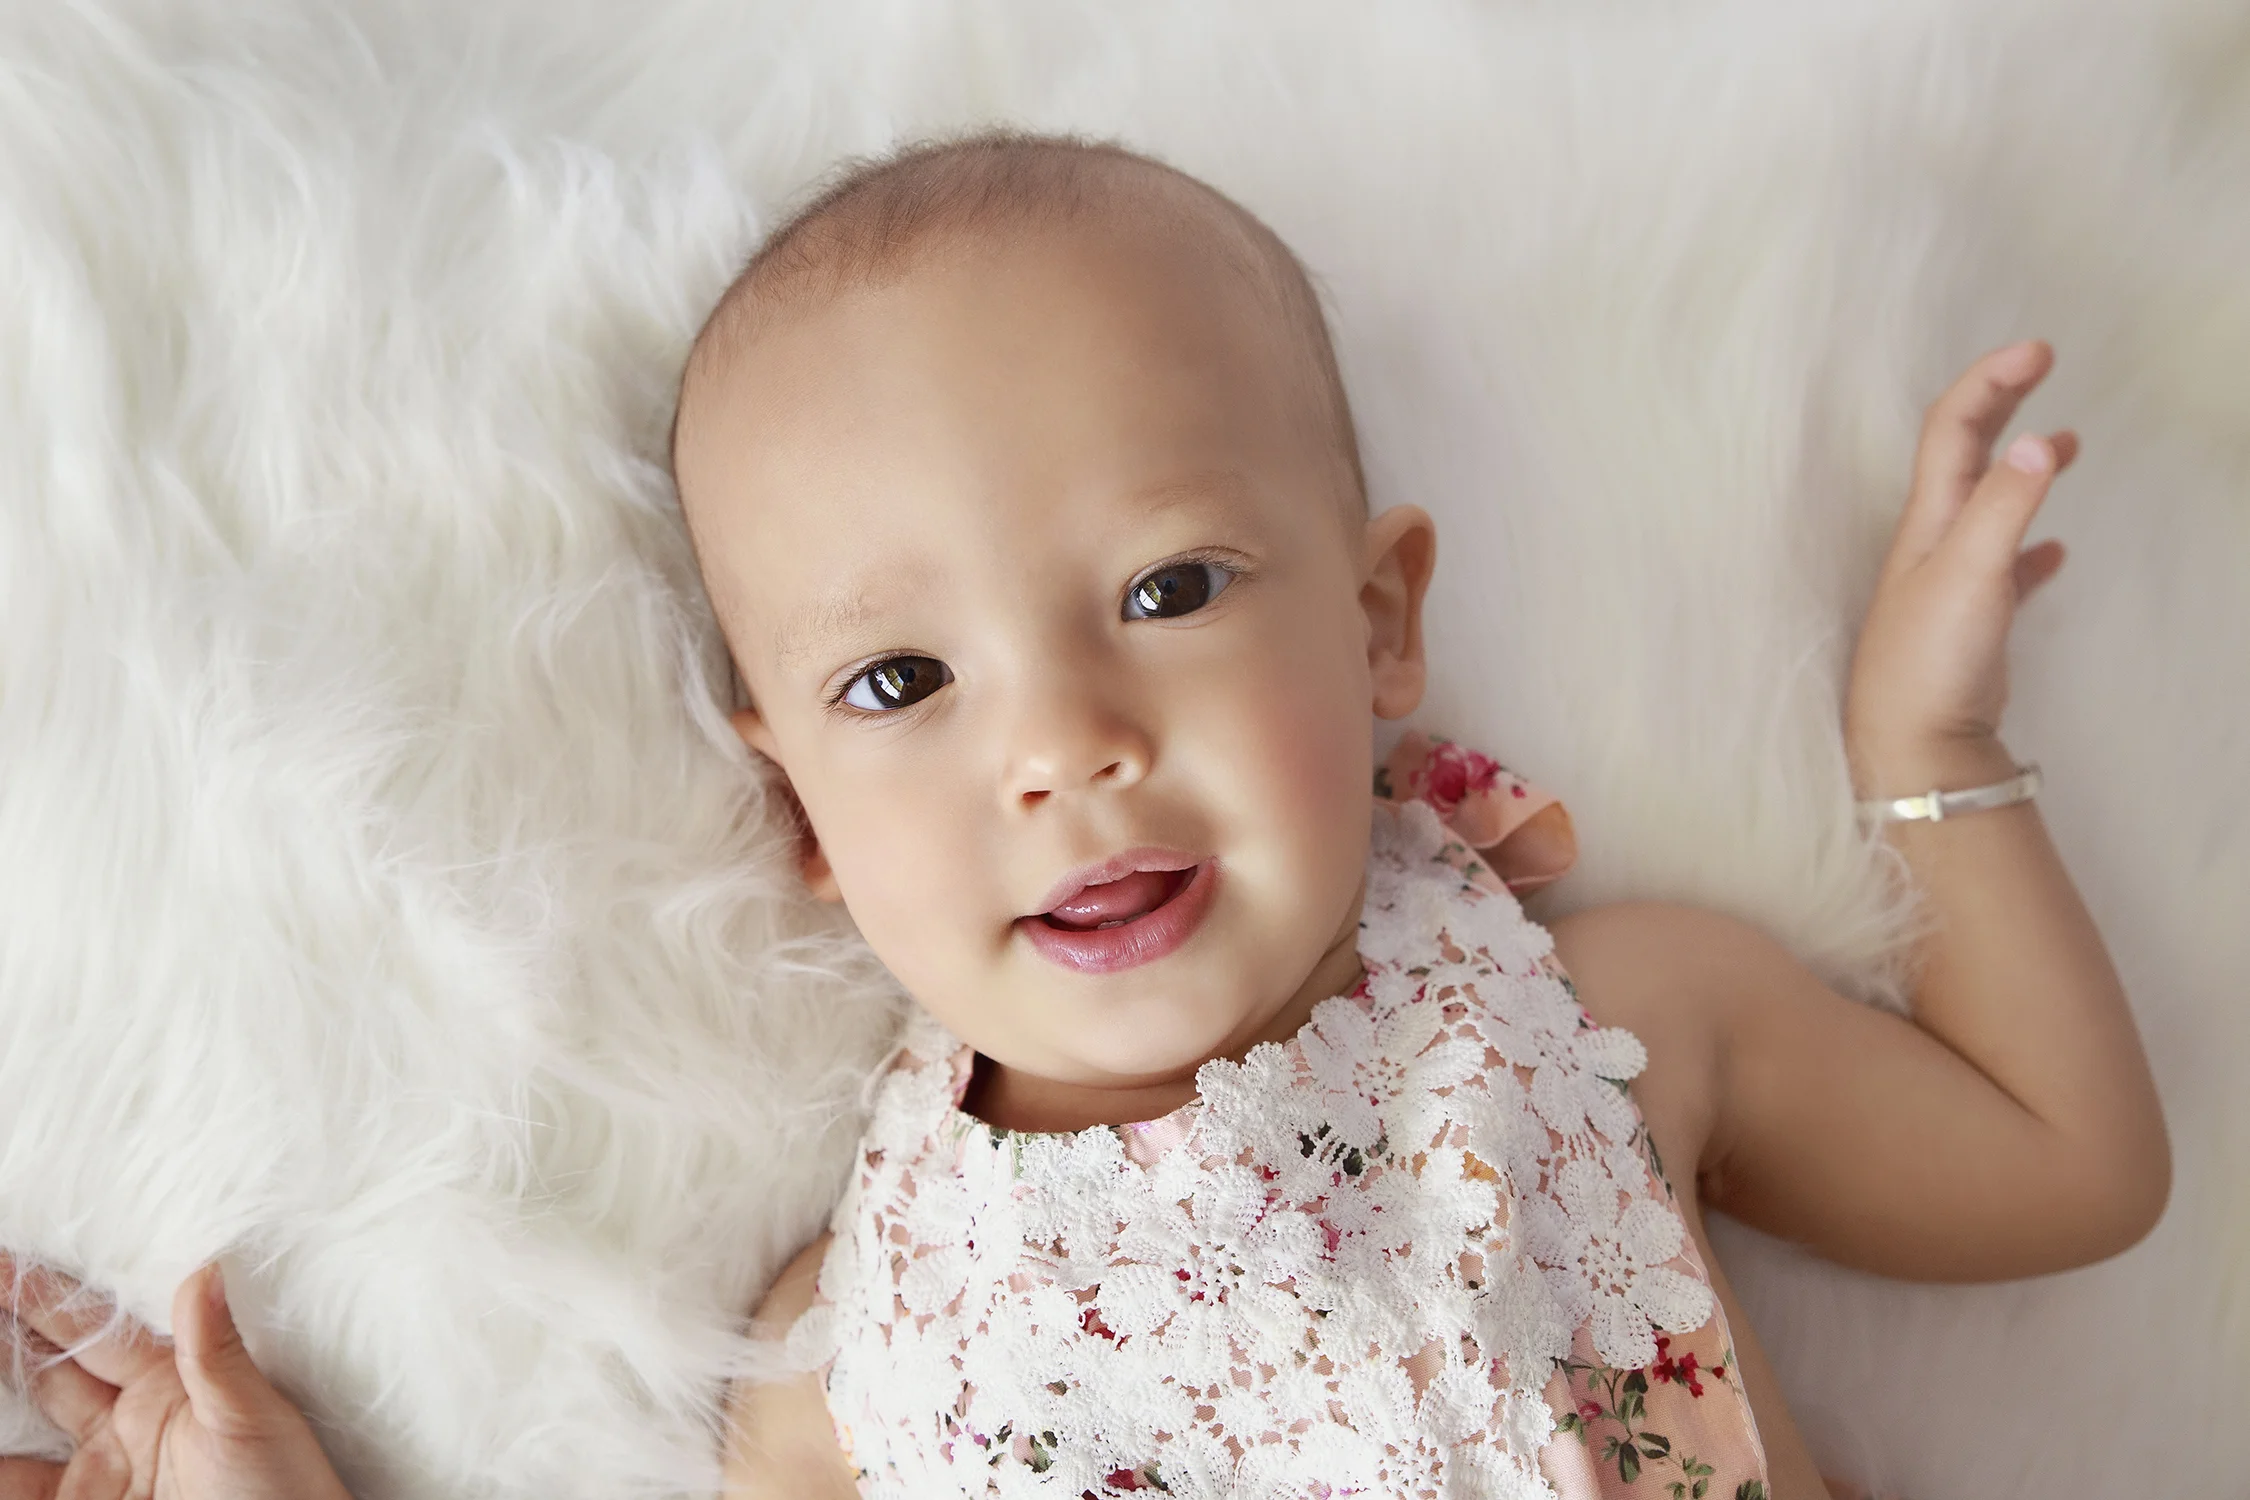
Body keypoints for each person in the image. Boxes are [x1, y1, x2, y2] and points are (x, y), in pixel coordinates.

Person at [0, 130, 2170, 1500]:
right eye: (901, 682)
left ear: (1381, 621)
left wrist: (1923, 739)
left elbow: (2067, 1173)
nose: (1064, 745)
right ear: (810, 828)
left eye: (1168, 589)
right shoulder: (841, 1347)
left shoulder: (1610, 1020)